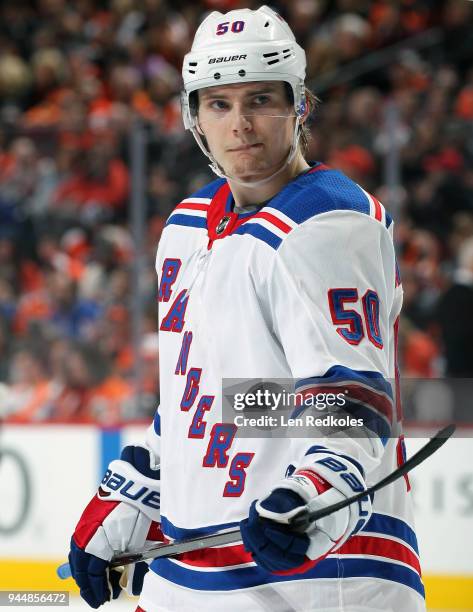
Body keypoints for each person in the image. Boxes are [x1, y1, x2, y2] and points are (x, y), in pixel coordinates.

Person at [68, 6, 425, 611]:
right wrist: (136, 492)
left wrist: (315, 492)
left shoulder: (329, 223)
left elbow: (351, 398)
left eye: (261, 100)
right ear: (195, 117)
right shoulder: (185, 228)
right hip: (193, 570)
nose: (241, 125)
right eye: (219, 104)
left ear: (299, 106)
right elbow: (202, 394)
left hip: (321, 576)